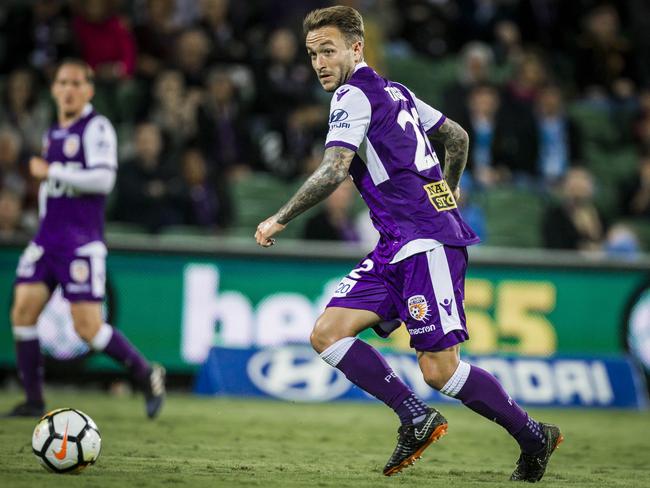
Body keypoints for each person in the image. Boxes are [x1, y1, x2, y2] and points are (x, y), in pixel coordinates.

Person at [255, 6, 562, 482]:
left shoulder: (351, 95)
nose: (319, 62)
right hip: (397, 243)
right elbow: (456, 138)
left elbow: (335, 169)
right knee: (327, 332)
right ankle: (415, 417)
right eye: (313, 53)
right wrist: (449, 191)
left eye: (329, 51)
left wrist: (279, 217)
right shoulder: (395, 91)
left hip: (426, 242)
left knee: (440, 371)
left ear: (357, 48)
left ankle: (532, 435)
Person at [5, 59, 165, 419]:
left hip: (79, 240)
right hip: (48, 238)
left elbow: (104, 181)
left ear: (89, 90)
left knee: (88, 328)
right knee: (23, 311)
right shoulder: (54, 132)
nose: (69, 89)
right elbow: (53, 188)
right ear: (54, 89)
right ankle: (33, 400)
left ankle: (146, 373)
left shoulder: (97, 128)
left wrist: (53, 170)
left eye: (77, 83)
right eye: (63, 82)